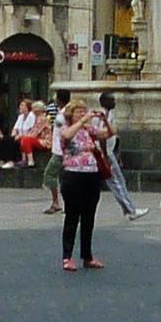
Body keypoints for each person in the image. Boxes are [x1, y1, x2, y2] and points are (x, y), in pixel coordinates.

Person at [57, 99, 109, 271]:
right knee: (72, 216)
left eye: (84, 111)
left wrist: (105, 119)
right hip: (73, 174)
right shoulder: (65, 128)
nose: (82, 113)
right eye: (79, 111)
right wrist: (82, 121)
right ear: (71, 114)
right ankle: (67, 256)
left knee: (89, 216)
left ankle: (87, 256)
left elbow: (109, 133)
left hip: (91, 174)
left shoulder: (89, 130)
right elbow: (66, 137)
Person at [96, 92, 148, 221]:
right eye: (112, 99)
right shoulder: (104, 115)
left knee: (117, 181)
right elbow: (102, 137)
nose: (115, 102)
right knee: (116, 183)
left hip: (108, 152)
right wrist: (106, 156)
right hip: (106, 153)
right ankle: (131, 210)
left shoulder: (105, 114)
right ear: (105, 101)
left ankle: (127, 209)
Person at [40, 88, 69, 212]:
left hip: (60, 151)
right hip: (60, 149)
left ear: (58, 99)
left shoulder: (64, 114)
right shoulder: (64, 112)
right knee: (64, 177)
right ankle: (64, 202)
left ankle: (56, 201)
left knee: (49, 174)